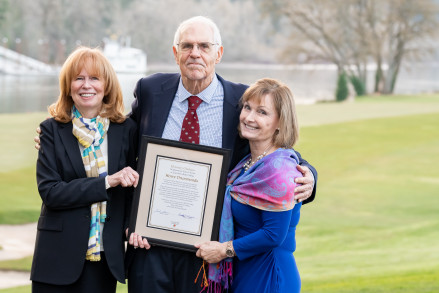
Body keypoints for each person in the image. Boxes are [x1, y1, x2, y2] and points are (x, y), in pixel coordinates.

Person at [125, 16, 318, 293]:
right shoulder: (151, 90)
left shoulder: (242, 101)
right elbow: (122, 148)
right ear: (175, 52)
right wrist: (58, 134)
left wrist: (309, 174)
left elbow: (277, 149)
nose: (195, 53)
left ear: (219, 53)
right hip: (150, 247)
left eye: (204, 46)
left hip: (207, 253)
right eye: (187, 45)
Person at [31, 46, 139, 293]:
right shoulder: (50, 130)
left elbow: (131, 191)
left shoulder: (126, 130)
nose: (86, 85)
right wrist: (107, 182)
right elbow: (51, 192)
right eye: (78, 78)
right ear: (68, 86)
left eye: (94, 78)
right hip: (56, 258)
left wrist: (131, 226)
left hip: (103, 260)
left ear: (107, 85)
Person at [195, 78, 303, 292]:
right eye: (247, 108)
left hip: (269, 275)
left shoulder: (278, 168)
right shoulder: (246, 164)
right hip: (243, 271)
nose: (249, 117)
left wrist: (222, 250)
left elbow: (273, 234)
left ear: (281, 122)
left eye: (262, 112)